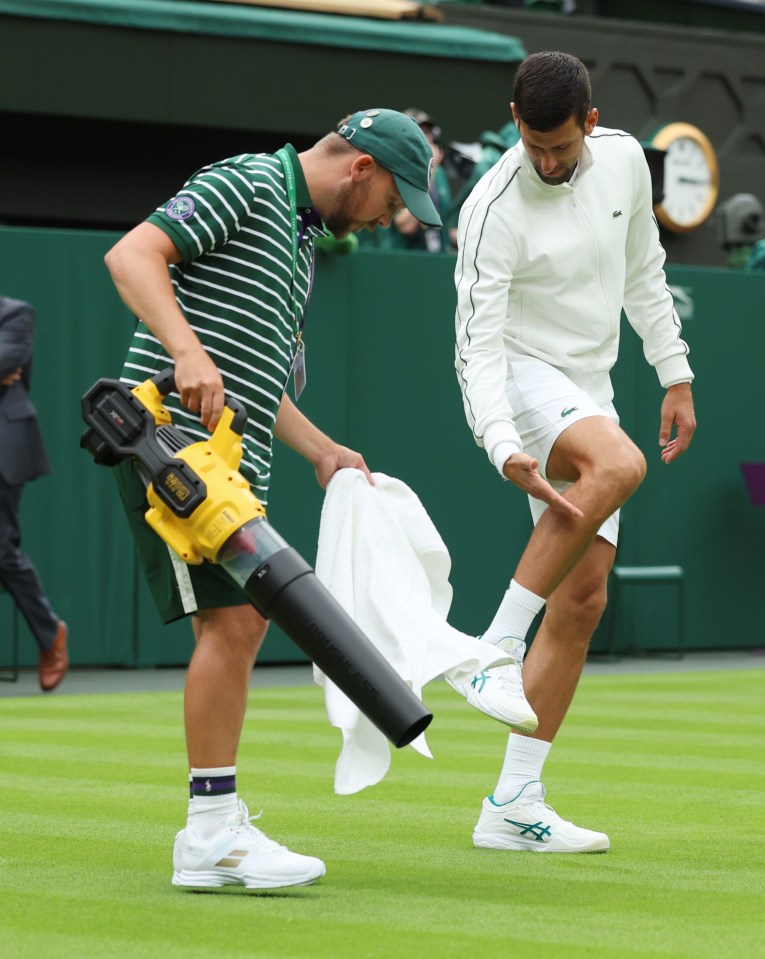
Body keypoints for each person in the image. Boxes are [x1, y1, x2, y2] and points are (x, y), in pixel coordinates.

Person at [103, 108, 532, 893]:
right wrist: (188, 351)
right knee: (235, 623)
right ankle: (209, 835)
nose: (389, 220)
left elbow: (256, 379)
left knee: (242, 621)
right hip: (164, 440)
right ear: (359, 168)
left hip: (228, 456)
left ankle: (215, 828)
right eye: (393, 201)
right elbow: (132, 256)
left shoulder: (299, 244)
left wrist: (322, 448)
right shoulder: (248, 181)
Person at [451, 52, 696, 853]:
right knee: (619, 466)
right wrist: (501, 444)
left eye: (559, 146)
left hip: (590, 382)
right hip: (519, 374)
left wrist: (675, 371)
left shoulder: (625, 161)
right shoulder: (491, 206)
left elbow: (644, 273)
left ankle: (513, 802)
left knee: (584, 597)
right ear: (514, 122)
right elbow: (475, 348)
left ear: (590, 123)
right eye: (532, 145)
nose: (546, 162)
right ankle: (490, 650)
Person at [0, 295, 69, 692]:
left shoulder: (17, 312)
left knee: (2, 549)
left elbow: (6, 362)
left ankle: (50, 635)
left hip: (4, 444)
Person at [357, 108, 454, 252]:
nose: (426, 140)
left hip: (436, 258)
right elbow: (405, 225)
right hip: (401, 257)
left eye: (428, 133)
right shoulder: (394, 169)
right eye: (419, 133)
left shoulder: (439, 173)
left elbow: (446, 225)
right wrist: (430, 173)